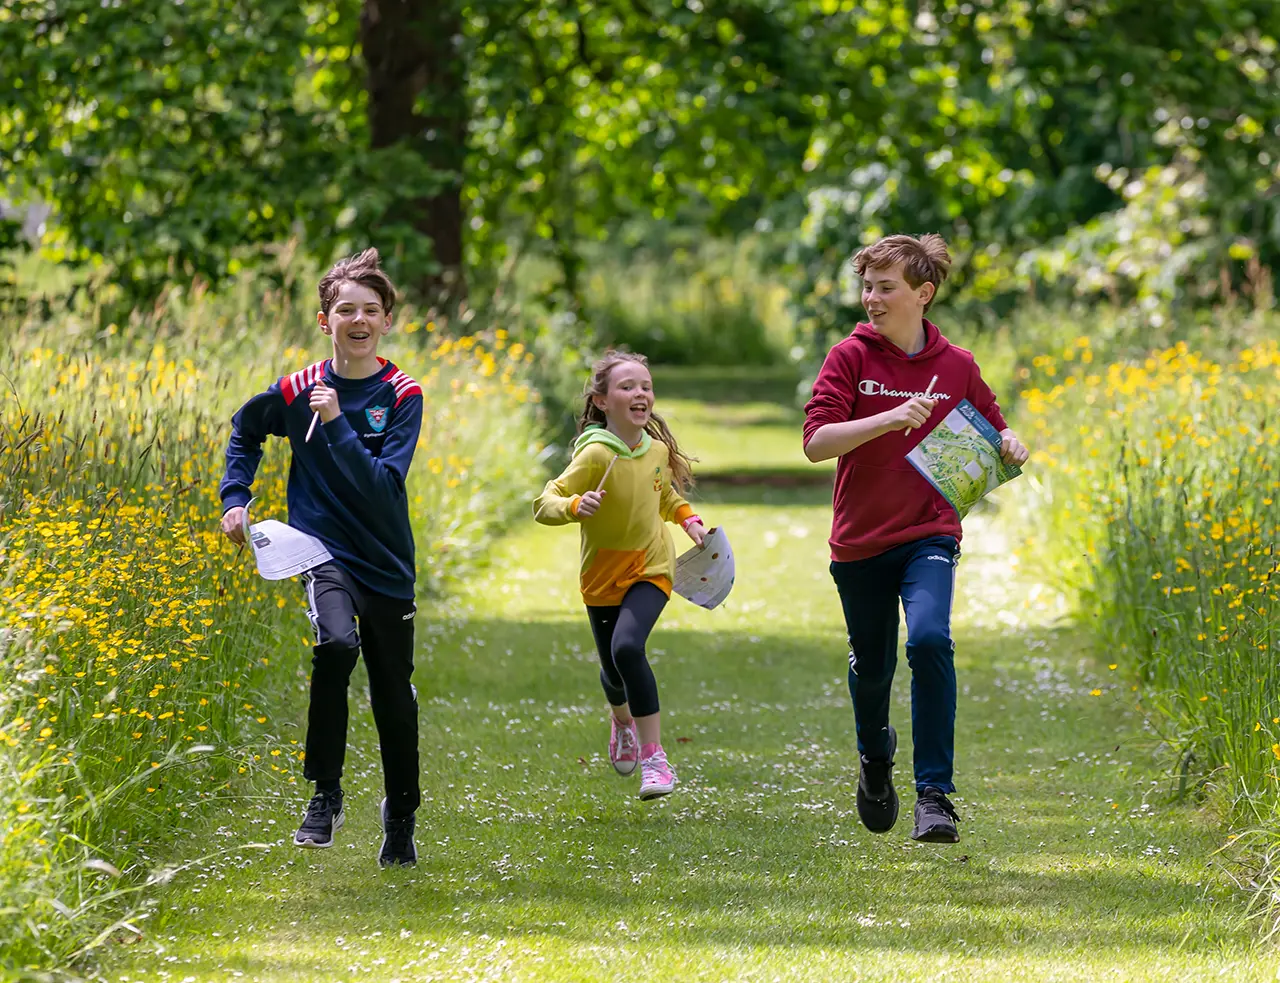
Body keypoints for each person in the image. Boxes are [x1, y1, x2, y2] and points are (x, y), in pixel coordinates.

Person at [802, 233, 1029, 844]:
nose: (871, 299)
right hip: (859, 542)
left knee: (930, 639)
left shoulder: (956, 365)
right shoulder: (848, 357)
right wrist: (885, 418)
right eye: (867, 287)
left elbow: (993, 425)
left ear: (922, 294)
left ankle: (936, 797)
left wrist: (1010, 442)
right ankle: (876, 760)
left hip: (929, 532)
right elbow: (816, 442)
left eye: (885, 288)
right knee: (872, 669)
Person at [218, 248, 424, 866]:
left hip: (385, 560)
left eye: (370, 310)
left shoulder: (402, 393)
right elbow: (244, 429)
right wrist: (236, 497)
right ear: (323, 320)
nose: (357, 320)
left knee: (393, 692)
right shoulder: (297, 388)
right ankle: (325, 793)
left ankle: (402, 813)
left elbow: (383, 488)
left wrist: (334, 423)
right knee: (335, 646)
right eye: (344, 310)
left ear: (386, 320)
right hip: (320, 551)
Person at [533, 351, 708, 800]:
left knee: (628, 648)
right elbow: (545, 503)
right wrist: (574, 507)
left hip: (651, 566)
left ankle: (656, 760)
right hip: (601, 574)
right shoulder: (593, 455)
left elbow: (664, 493)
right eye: (627, 386)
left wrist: (688, 520)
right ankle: (622, 722)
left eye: (646, 386)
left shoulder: (657, 451)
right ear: (603, 400)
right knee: (613, 671)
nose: (640, 394)